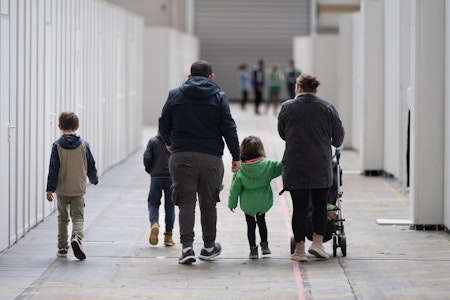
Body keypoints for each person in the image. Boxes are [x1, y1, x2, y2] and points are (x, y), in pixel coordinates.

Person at [158, 60, 241, 265]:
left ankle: (187, 249)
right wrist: (236, 156)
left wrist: (169, 142)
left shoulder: (174, 94)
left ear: (189, 76)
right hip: (211, 158)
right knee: (208, 203)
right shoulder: (219, 97)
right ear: (211, 77)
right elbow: (229, 128)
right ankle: (209, 248)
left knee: (186, 203)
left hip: (181, 156)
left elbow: (163, 123)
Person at [277, 74, 345, 262]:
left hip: (295, 165)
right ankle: (318, 244)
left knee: (299, 208)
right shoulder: (328, 108)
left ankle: (299, 250)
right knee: (320, 205)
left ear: (298, 87)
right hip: (321, 165)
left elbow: (283, 134)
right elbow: (338, 138)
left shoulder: (287, 107)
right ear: (315, 88)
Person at [46, 111, 98, 260]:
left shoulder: (57, 145)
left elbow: (53, 168)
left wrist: (50, 189)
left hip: (62, 189)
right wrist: (93, 179)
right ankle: (77, 237)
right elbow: (90, 164)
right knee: (78, 216)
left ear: (59, 126)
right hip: (78, 187)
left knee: (62, 218)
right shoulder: (83, 144)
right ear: (77, 126)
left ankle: (62, 247)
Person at [228, 136, 282, 259]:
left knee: (250, 225)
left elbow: (234, 188)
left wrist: (232, 204)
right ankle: (265, 245)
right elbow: (281, 166)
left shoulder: (240, 168)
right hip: (263, 201)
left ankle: (253, 249)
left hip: (248, 203)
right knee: (262, 222)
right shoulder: (268, 164)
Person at [143, 132, 175, 247]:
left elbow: (147, 158)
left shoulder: (153, 141)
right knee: (170, 206)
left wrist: (151, 171)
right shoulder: (174, 141)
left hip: (156, 177)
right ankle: (168, 236)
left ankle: (154, 223)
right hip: (171, 177)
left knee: (153, 203)